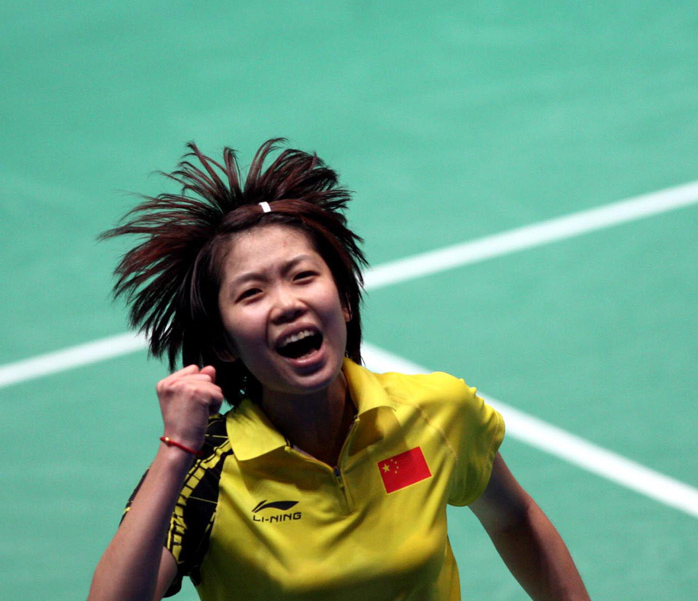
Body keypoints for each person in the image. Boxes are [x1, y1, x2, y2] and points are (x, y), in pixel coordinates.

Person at [88, 139, 590, 601]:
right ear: (224, 342)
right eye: (252, 293)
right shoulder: (206, 472)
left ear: (345, 300)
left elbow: (515, 518)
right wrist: (175, 451)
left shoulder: (435, 411)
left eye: (303, 276)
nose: (287, 303)